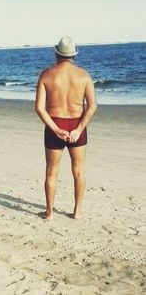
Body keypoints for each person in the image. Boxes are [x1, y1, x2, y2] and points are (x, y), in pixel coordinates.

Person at [35, 36, 97, 220]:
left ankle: (49, 212)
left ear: (56, 53)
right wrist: (78, 129)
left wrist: (55, 129)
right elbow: (92, 106)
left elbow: (39, 108)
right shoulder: (84, 76)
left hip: (55, 124)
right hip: (76, 124)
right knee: (78, 170)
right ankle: (77, 211)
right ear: (73, 55)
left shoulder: (46, 75)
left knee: (51, 171)